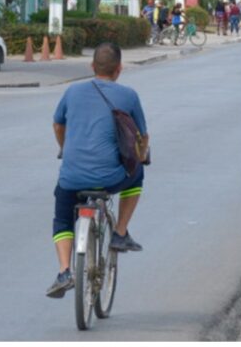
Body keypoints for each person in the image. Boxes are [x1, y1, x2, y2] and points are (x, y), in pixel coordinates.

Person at [46, 42, 150, 298]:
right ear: (119, 69)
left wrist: (64, 148)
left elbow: (58, 125)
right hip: (110, 178)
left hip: (71, 178)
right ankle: (120, 232)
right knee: (138, 173)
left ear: (92, 66)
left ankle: (64, 271)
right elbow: (142, 136)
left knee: (62, 218)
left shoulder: (72, 92)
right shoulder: (128, 95)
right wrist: (141, 155)